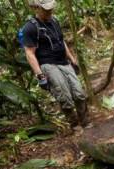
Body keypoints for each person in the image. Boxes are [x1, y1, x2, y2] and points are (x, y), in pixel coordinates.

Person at [23, 0, 91, 133]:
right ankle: (74, 124)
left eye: (51, 9)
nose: (49, 11)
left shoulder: (54, 21)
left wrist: (72, 59)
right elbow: (29, 53)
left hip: (63, 61)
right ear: (37, 8)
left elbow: (61, 41)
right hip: (48, 64)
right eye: (46, 9)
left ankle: (85, 121)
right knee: (64, 96)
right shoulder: (30, 28)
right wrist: (39, 75)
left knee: (79, 93)